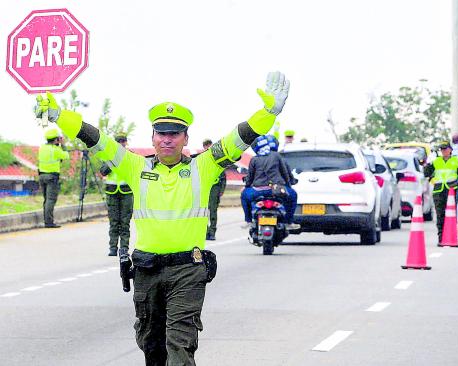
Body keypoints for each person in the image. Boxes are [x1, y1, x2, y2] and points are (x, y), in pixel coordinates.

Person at [35, 71, 290, 365]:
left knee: (179, 345)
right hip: (147, 269)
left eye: (174, 134)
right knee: (151, 346)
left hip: (187, 270)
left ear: (185, 139)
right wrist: (57, 114)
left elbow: (240, 137)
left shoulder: (204, 166)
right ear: (152, 137)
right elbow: (96, 139)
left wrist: (268, 113)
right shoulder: (134, 166)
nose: (167, 140)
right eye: (161, 133)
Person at [241, 135, 299, 230]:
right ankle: (289, 222)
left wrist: (246, 186)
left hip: (257, 191)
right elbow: (285, 174)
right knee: (293, 196)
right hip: (276, 189)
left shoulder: (254, 159)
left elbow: (250, 178)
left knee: (244, 195)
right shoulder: (276, 156)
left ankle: (248, 221)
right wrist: (288, 186)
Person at [99, 132, 134, 256]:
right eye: (119, 141)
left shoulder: (130, 156)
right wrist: (113, 160)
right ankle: (113, 248)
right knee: (114, 222)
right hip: (112, 191)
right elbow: (103, 171)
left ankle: (124, 248)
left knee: (125, 222)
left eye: (123, 141)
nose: (121, 144)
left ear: (126, 143)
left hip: (126, 191)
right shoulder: (108, 155)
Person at [424, 141, 458, 245]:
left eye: (445, 149)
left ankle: (451, 237)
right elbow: (426, 173)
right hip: (439, 190)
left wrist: (457, 184)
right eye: (442, 149)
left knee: (451, 215)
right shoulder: (436, 161)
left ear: (450, 149)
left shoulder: (456, 160)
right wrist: (428, 163)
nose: (443, 151)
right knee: (440, 215)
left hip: (451, 190)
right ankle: (441, 238)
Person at [38, 127, 69, 228]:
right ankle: (49, 222)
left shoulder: (42, 148)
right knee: (51, 200)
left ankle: (47, 220)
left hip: (42, 176)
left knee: (46, 200)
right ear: (56, 140)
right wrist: (63, 144)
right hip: (52, 177)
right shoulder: (55, 150)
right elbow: (66, 156)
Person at [202, 139, 227, 241]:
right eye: (206, 146)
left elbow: (223, 176)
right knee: (202, 212)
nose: (208, 147)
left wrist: (221, 190)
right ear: (204, 147)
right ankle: (205, 231)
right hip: (203, 187)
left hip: (215, 187)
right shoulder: (201, 158)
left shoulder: (217, 157)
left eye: (209, 145)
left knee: (212, 211)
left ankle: (212, 232)